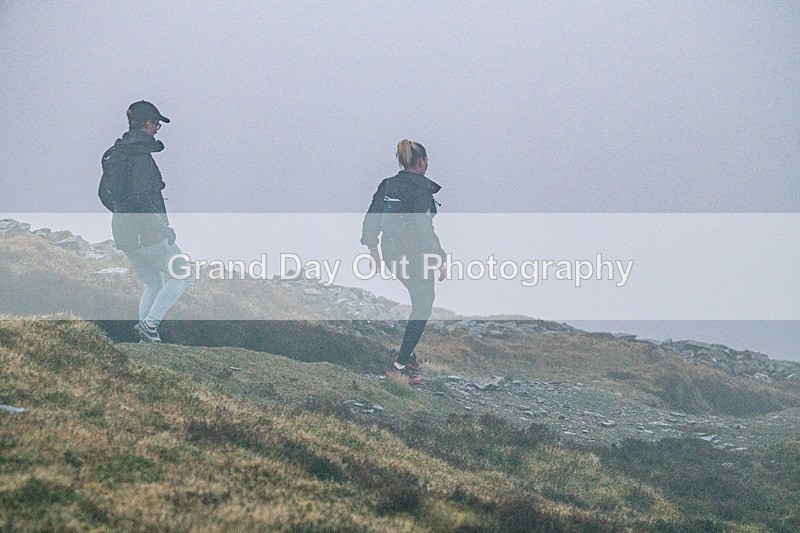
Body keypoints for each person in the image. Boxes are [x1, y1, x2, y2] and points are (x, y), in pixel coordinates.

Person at [103, 100, 192, 343]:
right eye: (156, 124)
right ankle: (150, 325)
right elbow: (143, 197)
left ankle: (145, 341)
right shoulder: (141, 159)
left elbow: (104, 194)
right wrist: (161, 228)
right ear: (147, 124)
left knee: (153, 282)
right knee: (184, 275)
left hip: (124, 233)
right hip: (147, 232)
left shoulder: (114, 154)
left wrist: (123, 215)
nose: (157, 130)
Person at [361, 140, 447, 383]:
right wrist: (440, 257)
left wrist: (372, 248)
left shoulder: (388, 185)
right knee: (423, 303)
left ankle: (407, 356)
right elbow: (423, 227)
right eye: (426, 160)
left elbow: (372, 217)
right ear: (421, 162)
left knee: (420, 299)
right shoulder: (421, 190)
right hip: (415, 254)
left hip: (390, 252)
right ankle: (399, 365)